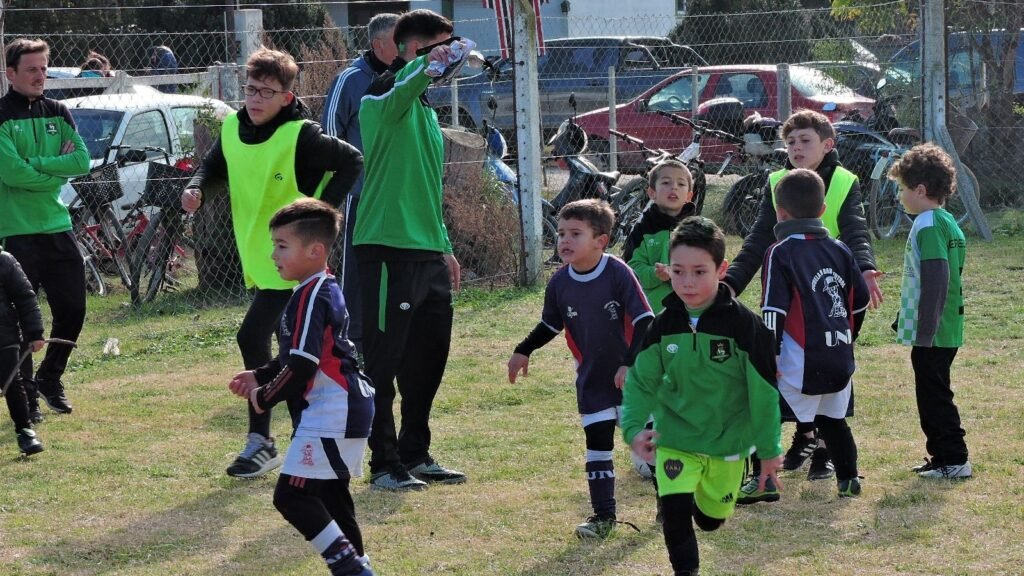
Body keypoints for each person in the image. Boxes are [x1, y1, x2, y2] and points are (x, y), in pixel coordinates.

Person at [182, 47, 363, 479]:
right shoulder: (231, 129)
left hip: (298, 264)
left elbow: (351, 161)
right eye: (250, 89)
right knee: (299, 351)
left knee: (262, 340)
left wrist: (319, 214)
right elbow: (212, 167)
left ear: (287, 96)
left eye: (267, 91)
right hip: (263, 262)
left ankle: (266, 440)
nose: (256, 98)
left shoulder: (302, 135)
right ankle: (310, 434)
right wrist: (196, 189)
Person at [723, 109, 882, 481]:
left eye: (805, 140)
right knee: (792, 372)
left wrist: (865, 268)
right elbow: (759, 236)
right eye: (790, 141)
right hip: (791, 300)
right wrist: (731, 282)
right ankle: (804, 436)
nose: (796, 146)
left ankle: (824, 453)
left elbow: (856, 230)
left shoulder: (844, 181)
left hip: (827, 300)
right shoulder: (777, 180)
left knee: (831, 370)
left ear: (828, 145)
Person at [622, 216, 782, 576]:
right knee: (674, 513)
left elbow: (763, 391)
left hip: (726, 442)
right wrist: (633, 428)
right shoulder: (661, 326)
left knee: (710, 520)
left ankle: (708, 502)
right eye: (678, 272)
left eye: (699, 272)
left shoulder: (745, 325)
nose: (687, 282)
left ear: (721, 269)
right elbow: (640, 381)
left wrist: (769, 449)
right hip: (675, 438)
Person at [228, 198, 374, 576]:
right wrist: (259, 375)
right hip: (345, 408)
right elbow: (299, 354)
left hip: (333, 409)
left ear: (315, 251)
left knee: (291, 495)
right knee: (332, 497)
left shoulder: (313, 294)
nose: (273, 254)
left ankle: (352, 570)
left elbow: (303, 365)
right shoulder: (314, 290)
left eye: (281, 245)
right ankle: (358, 568)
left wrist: (265, 398)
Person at [355, 9, 469, 490]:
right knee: (383, 359)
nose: (451, 60)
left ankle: (414, 452)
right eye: (440, 48)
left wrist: (443, 246)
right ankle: (383, 463)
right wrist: (427, 65)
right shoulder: (380, 98)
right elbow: (402, 90)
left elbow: (426, 188)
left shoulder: (426, 112)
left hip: (427, 252)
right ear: (410, 49)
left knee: (429, 357)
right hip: (385, 249)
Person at [508, 199, 654, 539]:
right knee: (597, 444)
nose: (565, 241)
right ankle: (604, 518)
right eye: (561, 234)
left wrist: (630, 363)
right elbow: (550, 324)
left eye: (576, 233)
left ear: (600, 241)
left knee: (647, 447)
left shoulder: (618, 272)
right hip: (592, 380)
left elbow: (647, 321)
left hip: (634, 377)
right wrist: (523, 349)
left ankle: (669, 506)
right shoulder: (559, 283)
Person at [737, 169, 869, 504]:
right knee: (834, 421)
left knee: (763, 416)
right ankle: (849, 480)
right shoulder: (841, 250)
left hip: (798, 360)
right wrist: (846, 339)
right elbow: (861, 300)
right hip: (839, 355)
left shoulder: (779, 252)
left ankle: (764, 481)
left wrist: (770, 357)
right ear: (823, 210)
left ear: (780, 213)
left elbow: (773, 312)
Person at [0, 38, 91, 421]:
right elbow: (9, 172)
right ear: (10, 74)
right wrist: (54, 168)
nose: (41, 76)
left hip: (57, 225)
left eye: (44, 68)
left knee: (73, 308)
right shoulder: (2, 115)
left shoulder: (58, 110)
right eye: (32, 70)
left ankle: (50, 378)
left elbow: (83, 162)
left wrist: (34, 164)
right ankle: (27, 398)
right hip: (16, 231)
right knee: (22, 322)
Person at [888, 143, 971, 479]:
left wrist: (925, 330)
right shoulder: (946, 221)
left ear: (920, 190)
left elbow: (937, 277)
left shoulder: (926, 224)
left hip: (934, 332)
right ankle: (942, 457)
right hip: (943, 326)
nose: (900, 196)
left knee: (934, 396)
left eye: (902, 189)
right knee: (934, 390)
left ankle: (954, 459)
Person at [321, 12, 399, 354]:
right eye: (400, 39)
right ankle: (353, 343)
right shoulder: (350, 80)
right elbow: (329, 136)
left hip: (396, 197)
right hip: (361, 196)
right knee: (356, 272)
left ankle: (390, 335)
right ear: (379, 43)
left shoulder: (406, 77)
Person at [619, 158, 696, 492]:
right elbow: (630, 267)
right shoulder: (642, 227)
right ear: (651, 191)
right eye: (666, 183)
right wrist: (655, 273)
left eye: (681, 183)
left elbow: (711, 263)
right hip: (653, 321)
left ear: (690, 192)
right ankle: (647, 453)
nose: (673, 188)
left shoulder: (697, 227)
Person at [0, 248, 46, 455]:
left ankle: (25, 430)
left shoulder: (4, 261)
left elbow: (25, 298)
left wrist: (35, 332)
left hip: (4, 336)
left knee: (12, 382)